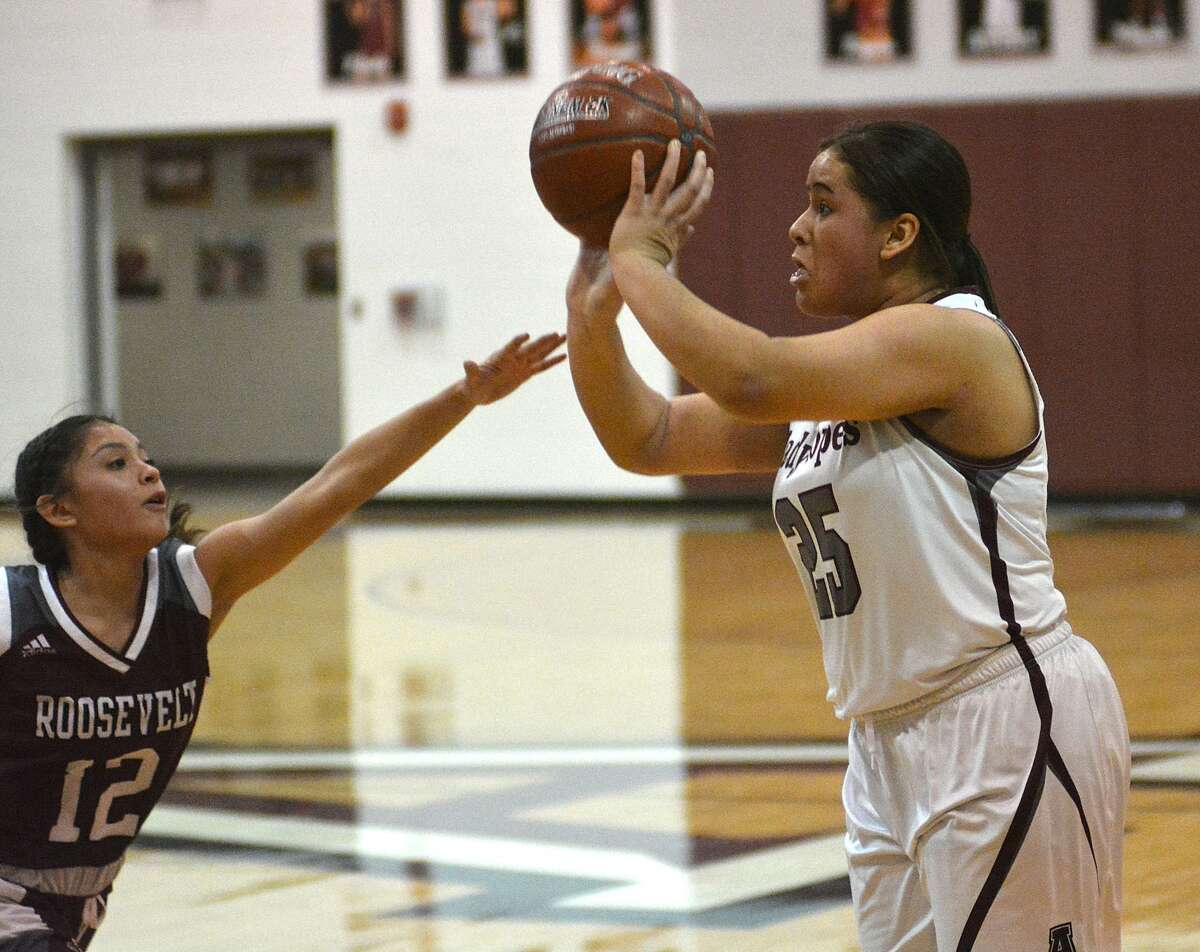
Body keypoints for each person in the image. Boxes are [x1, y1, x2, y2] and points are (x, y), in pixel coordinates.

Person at [565, 123, 1130, 950]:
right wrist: (592, 309)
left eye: (823, 206)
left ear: (900, 235)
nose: (797, 228)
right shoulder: (838, 385)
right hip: (885, 740)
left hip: (1004, 719)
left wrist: (642, 261)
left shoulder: (956, 340)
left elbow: (750, 374)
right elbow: (645, 438)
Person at [0, 331, 565, 951]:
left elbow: (340, 484)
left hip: (79, 903)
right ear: (58, 511)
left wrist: (464, 396)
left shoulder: (192, 589)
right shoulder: (13, 612)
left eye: (144, 457)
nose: (148, 471)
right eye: (115, 463)